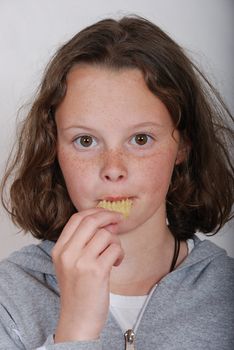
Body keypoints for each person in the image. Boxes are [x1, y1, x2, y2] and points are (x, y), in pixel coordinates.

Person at [0, 15, 233, 350]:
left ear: (183, 145)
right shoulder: (9, 297)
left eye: (140, 139)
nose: (113, 169)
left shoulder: (226, 295)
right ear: (53, 149)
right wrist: (76, 329)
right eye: (85, 141)